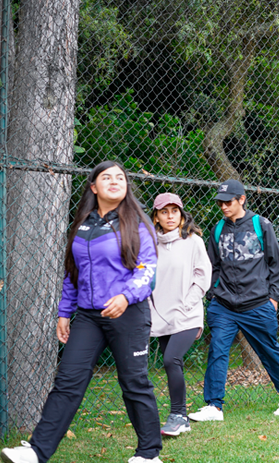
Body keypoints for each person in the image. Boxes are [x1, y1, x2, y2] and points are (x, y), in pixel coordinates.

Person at [1, 161, 162, 463]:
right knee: (68, 380)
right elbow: (73, 273)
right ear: (93, 187)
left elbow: (148, 271)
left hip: (128, 313)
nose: (115, 181)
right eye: (106, 177)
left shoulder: (138, 224)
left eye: (120, 177)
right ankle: (37, 451)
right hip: (89, 317)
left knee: (134, 383)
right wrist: (65, 313)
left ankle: (149, 454)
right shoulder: (84, 224)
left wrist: (126, 297)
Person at [189, 179, 279, 422]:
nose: (223, 207)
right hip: (224, 306)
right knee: (217, 351)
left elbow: (276, 265)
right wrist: (214, 294)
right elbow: (213, 266)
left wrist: (273, 298)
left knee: (269, 351)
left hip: (258, 304)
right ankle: (214, 407)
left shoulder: (260, 225)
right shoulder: (217, 229)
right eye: (220, 202)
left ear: (242, 200)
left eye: (228, 202)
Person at [150, 193, 212, 436]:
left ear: (182, 214)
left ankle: (177, 415)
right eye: (164, 212)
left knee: (170, 360)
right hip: (161, 314)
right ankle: (182, 418)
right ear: (156, 216)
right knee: (171, 363)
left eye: (174, 211)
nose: (170, 216)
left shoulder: (193, 241)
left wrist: (189, 302)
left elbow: (202, 275)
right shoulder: (150, 242)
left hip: (187, 313)